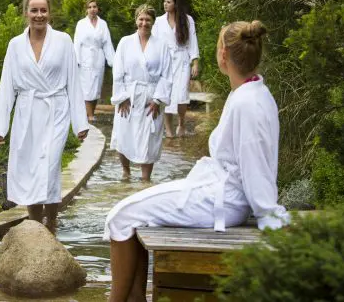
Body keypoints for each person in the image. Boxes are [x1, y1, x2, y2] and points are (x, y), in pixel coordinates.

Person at [104, 20, 291, 302]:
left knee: (120, 216)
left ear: (223, 55)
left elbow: (256, 165)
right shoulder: (253, 92)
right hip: (218, 190)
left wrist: (268, 213)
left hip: (224, 200)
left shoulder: (247, 103)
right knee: (130, 216)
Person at [0, 0, 90, 234]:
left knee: (50, 165)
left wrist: (80, 123)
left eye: (43, 10)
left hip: (56, 109)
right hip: (27, 112)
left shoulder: (64, 41)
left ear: (49, 13)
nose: (39, 15)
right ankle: (35, 223)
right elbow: (6, 86)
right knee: (30, 166)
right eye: (34, 10)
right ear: (26, 13)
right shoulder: (15, 45)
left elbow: (73, 82)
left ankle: (51, 220)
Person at [109, 4, 173, 183]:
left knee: (149, 138)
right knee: (123, 134)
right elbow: (118, 73)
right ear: (136, 20)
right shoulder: (125, 42)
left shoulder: (161, 46)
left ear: (153, 22)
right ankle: (126, 172)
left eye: (148, 20)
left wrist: (158, 100)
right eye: (141, 19)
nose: (144, 23)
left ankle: (146, 179)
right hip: (128, 96)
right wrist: (121, 98)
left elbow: (167, 75)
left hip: (151, 97)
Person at [152, 0, 199, 138]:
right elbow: (153, 42)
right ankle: (169, 130)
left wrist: (195, 62)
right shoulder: (159, 21)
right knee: (166, 93)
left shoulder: (187, 20)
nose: (165, 4)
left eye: (168, 2)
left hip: (182, 59)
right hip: (165, 61)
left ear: (176, 4)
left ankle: (181, 122)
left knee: (182, 94)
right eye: (164, 1)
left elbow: (193, 42)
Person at [73, 0, 115, 122]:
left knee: (96, 87)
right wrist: (77, 60)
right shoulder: (81, 24)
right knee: (86, 87)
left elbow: (107, 43)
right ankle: (90, 115)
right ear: (86, 10)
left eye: (94, 7)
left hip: (98, 58)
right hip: (85, 57)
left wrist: (112, 61)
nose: (92, 9)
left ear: (97, 9)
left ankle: (91, 112)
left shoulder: (103, 24)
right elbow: (77, 42)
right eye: (90, 7)